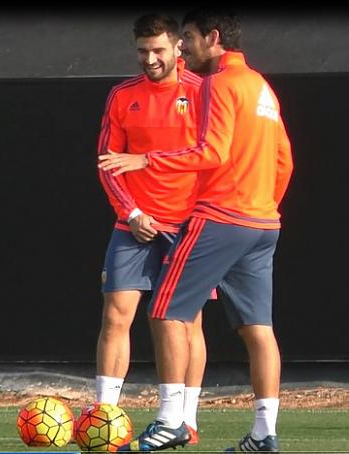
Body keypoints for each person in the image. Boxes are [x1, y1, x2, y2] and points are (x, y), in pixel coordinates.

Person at [99, 8, 294, 452]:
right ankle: (265, 434)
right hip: (264, 223)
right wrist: (267, 205)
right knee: (258, 328)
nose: (184, 47)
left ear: (214, 37)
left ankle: (172, 421)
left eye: (187, 38)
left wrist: (146, 160)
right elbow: (284, 159)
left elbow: (212, 152)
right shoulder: (262, 87)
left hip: (221, 217)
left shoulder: (219, 84)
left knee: (166, 312)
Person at [94, 13, 206, 446]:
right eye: (143, 51)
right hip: (134, 223)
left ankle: (183, 419)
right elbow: (107, 164)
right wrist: (134, 212)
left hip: (190, 225)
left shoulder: (203, 93)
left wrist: (199, 216)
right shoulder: (122, 95)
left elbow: (213, 157)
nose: (150, 59)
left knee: (186, 323)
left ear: (179, 47)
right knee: (115, 316)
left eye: (158, 50)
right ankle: (106, 419)